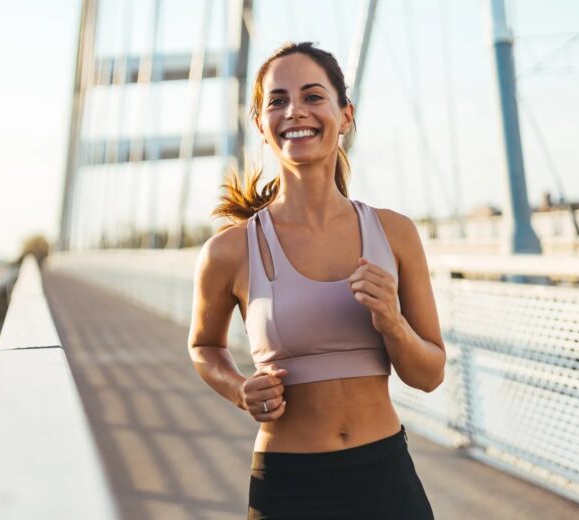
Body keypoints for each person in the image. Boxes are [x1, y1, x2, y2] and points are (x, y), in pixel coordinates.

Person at [187, 42, 445, 519]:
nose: (295, 112)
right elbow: (204, 347)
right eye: (278, 101)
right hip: (289, 487)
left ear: (345, 115)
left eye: (312, 96)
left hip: (386, 477)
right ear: (261, 126)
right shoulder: (228, 251)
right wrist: (239, 390)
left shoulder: (395, 233)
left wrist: (392, 321)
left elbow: (429, 375)